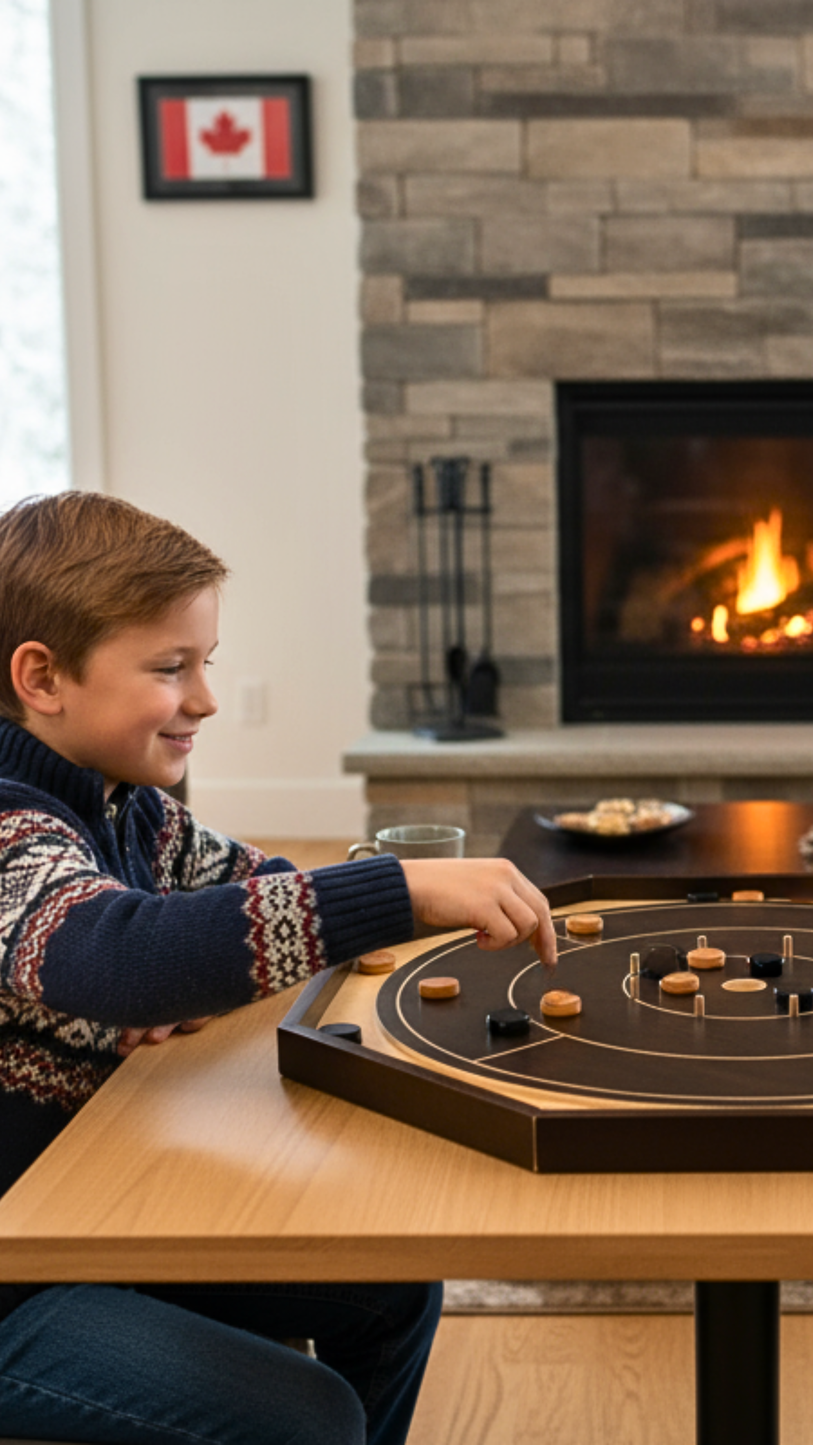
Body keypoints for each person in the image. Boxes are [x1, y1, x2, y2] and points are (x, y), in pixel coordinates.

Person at [0, 491, 558, 1444]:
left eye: (205, 663)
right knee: (305, 1415)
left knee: (391, 1290)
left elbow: (247, 896)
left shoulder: (129, 808)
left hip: (95, 1216)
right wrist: (397, 889)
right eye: (171, 668)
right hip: (17, 1277)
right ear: (43, 677)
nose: (207, 699)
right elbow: (119, 953)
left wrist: (191, 968)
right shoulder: (11, 826)